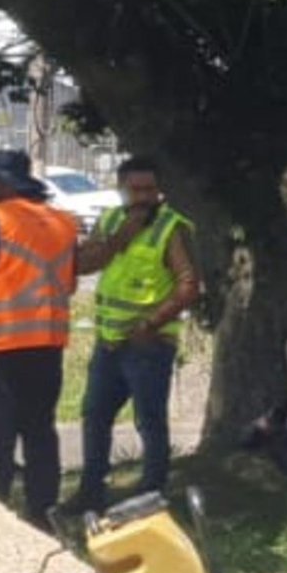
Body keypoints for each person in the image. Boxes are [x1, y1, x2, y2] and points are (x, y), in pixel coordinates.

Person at [0, 150, 79, 528]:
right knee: (40, 432)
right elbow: (70, 280)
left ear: (3, 183)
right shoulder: (63, 223)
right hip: (47, 345)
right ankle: (43, 514)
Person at [74, 154, 204, 513]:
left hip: (149, 343)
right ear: (121, 189)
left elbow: (189, 284)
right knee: (95, 415)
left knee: (149, 421)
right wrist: (119, 238)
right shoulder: (111, 220)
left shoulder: (171, 227)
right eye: (136, 190)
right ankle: (91, 492)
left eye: (150, 189)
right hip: (109, 341)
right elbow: (82, 264)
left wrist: (151, 323)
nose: (144, 198)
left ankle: (152, 493)